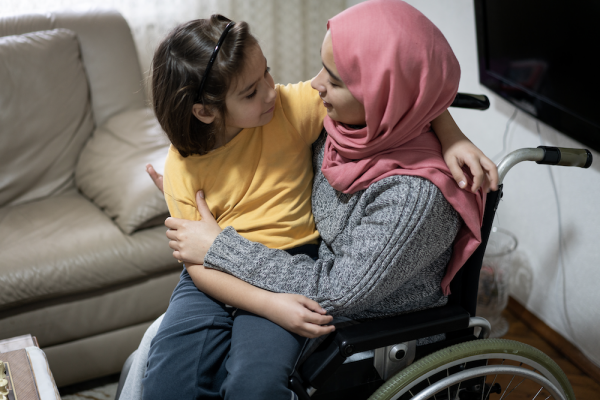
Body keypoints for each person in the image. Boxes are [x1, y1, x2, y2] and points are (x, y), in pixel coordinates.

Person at [137, 2, 496, 399]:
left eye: (335, 79)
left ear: (380, 95)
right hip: (241, 271)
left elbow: (337, 290)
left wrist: (218, 247)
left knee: (250, 384)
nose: (314, 85)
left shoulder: (412, 198)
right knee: (167, 380)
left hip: (313, 287)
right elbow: (408, 92)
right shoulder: (342, 125)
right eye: (322, 68)